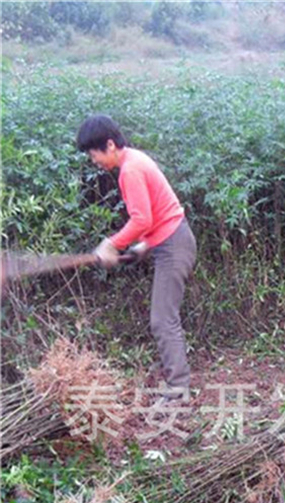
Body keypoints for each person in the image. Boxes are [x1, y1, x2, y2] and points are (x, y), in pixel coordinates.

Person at [77, 114, 196, 402]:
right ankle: (177, 380)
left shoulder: (129, 170)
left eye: (94, 154)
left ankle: (179, 390)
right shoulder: (134, 159)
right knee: (163, 317)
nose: (94, 161)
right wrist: (144, 245)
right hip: (171, 239)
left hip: (174, 245)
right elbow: (157, 213)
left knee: (162, 320)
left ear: (109, 144)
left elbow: (142, 219)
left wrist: (111, 244)